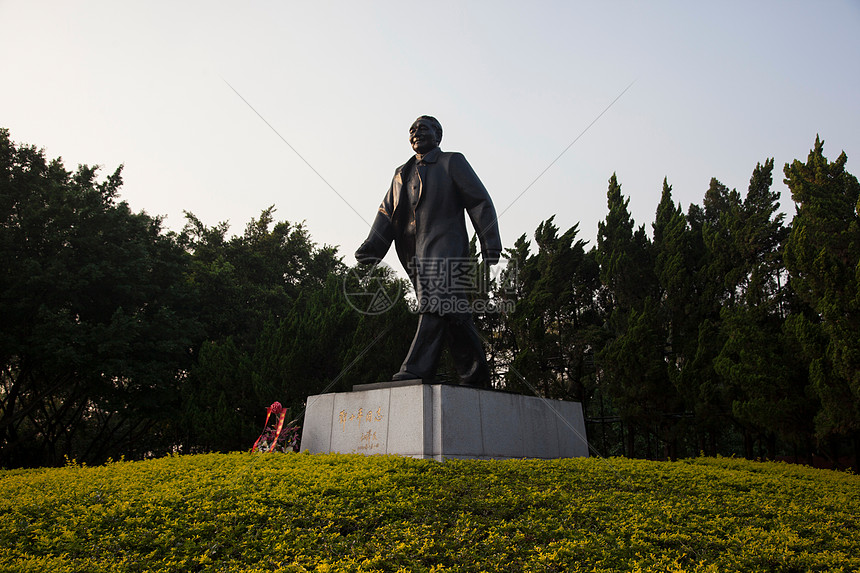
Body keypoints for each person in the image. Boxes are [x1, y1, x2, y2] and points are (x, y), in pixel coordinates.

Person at [356, 116, 501, 387]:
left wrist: (490, 241)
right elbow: (387, 212)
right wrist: (372, 247)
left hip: (446, 246)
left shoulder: (452, 162)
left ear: (439, 134)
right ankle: (475, 375)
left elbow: (479, 201)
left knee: (434, 303)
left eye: (423, 128)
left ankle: (416, 369)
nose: (416, 133)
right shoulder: (401, 173)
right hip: (414, 254)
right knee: (453, 311)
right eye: (412, 130)